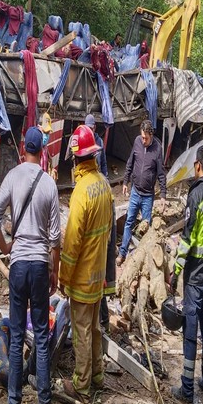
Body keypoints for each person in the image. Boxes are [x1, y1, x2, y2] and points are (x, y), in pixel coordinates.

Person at [0, 126, 61, 404]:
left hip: (18, 265)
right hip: (41, 265)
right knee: (41, 337)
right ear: (42, 150)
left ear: (23, 148)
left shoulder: (13, 176)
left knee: (16, 338)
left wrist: (6, 246)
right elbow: (56, 237)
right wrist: (53, 269)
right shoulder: (49, 184)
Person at [60, 125, 113, 404]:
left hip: (81, 276)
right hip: (98, 275)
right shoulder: (104, 184)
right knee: (94, 328)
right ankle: (97, 375)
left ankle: (81, 385)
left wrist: (63, 277)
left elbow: (71, 244)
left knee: (81, 331)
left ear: (75, 158)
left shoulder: (81, 191)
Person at [170, 144, 203, 404]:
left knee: (190, 332)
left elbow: (188, 237)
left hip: (193, 274)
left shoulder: (197, 195)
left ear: (198, 165)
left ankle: (187, 389)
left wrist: (175, 270)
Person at [117, 120, 166, 266]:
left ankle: (143, 259)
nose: (143, 140)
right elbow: (130, 162)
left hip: (147, 196)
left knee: (146, 227)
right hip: (135, 192)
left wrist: (163, 194)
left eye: (146, 138)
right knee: (129, 223)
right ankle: (122, 253)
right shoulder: (137, 142)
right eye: (142, 137)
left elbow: (161, 173)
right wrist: (125, 182)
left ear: (151, 135)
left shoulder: (157, 148)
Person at [84, 114, 116, 331]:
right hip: (100, 252)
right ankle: (101, 321)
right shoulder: (103, 198)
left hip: (95, 257)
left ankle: (101, 320)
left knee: (99, 280)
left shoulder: (99, 143)